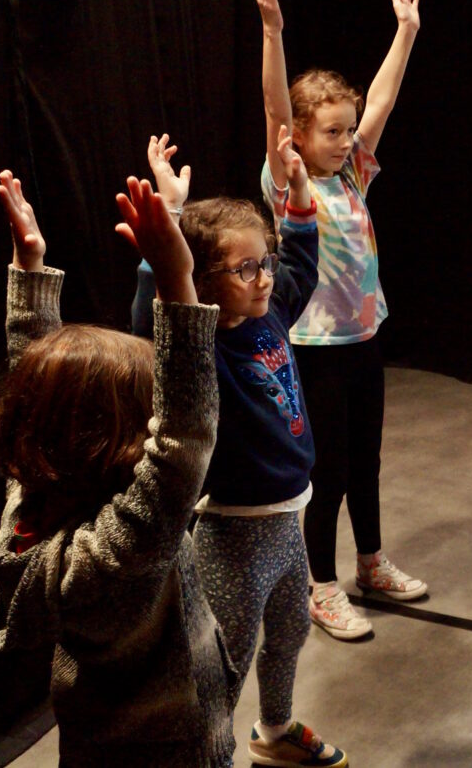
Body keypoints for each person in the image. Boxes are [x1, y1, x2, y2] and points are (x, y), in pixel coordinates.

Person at [0, 170, 237, 766]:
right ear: (118, 440)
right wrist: (178, 284)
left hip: (93, 736)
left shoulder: (34, 505)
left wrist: (30, 269)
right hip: (176, 747)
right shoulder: (120, 550)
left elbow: (38, 396)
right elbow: (183, 438)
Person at [131, 123, 346, 767]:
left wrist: (301, 196)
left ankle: (274, 733)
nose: (261, 278)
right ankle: (210, 753)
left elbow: (302, 263)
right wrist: (164, 230)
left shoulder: (269, 312)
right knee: (226, 658)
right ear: (200, 276)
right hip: (230, 534)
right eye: (244, 267)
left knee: (290, 632)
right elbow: (155, 317)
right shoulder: (198, 346)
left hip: (285, 521)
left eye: (264, 263)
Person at [256, 0, 426, 640]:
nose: (345, 139)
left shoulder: (353, 172)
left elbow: (381, 102)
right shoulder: (287, 178)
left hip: (363, 338)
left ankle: (372, 562)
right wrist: (273, 31)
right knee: (327, 471)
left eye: (347, 130)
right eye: (331, 131)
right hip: (314, 346)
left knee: (366, 461)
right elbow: (274, 105)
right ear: (297, 136)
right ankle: (319, 586)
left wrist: (405, 32)